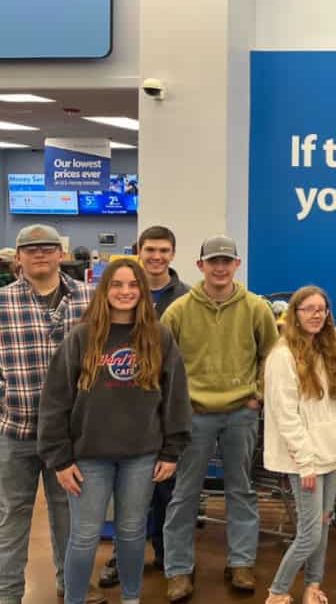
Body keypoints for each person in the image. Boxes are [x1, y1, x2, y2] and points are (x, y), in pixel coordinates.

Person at [37, 259, 192, 604]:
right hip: (89, 457)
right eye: (117, 285)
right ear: (104, 291)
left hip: (142, 455)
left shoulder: (159, 337)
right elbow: (55, 400)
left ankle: (131, 598)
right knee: (84, 536)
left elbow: (176, 396)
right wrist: (59, 459)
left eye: (133, 285)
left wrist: (171, 450)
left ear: (142, 291)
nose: (125, 292)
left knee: (132, 532)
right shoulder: (82, 337)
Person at [160, 235, 279, 602]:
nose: (220, 267)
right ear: (200, 266)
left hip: (240, 413)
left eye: (227, 261)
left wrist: (257, 395)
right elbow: (163, 365)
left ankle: (241, 563)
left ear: (236, 264)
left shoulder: (256, 307)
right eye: (213, 261)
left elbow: (271, 357)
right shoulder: (178, 311)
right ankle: (179, 570)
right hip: (193, 415)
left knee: (240, 490)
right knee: (184, 494)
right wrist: (177, 406)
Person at [0, 224, 106, 604]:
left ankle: (72, 583)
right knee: (11, 518)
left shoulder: (91, 298)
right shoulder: (2, 301)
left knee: (69, 518)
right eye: (31, 249)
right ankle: (7, 592)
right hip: (17, 431)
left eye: (47, 248)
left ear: (60, 254)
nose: (40, 254)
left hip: (70, 436)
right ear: (19, 257)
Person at [98, 225, 191, 589]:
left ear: (172, 253)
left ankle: (171, 561)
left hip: (163, 412)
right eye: (150, 249)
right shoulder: (116, 296)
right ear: (138, 251)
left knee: (169, 493)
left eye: (164, 250)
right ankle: (122, 559)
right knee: (126, 497)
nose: (157, 256)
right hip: (121, 413)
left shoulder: (186, 297)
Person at [263, 286, 336, 604]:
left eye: (322, 309)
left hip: (330, 454)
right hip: (306, 461)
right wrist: (305, 461)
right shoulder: (282, 355)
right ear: (294, 314)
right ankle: (276, 592)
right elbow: (286, 415)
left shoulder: (328, 351)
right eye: (309, 309)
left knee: (324, 525)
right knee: (310, 532)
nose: (316, 314)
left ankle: (312, 587)